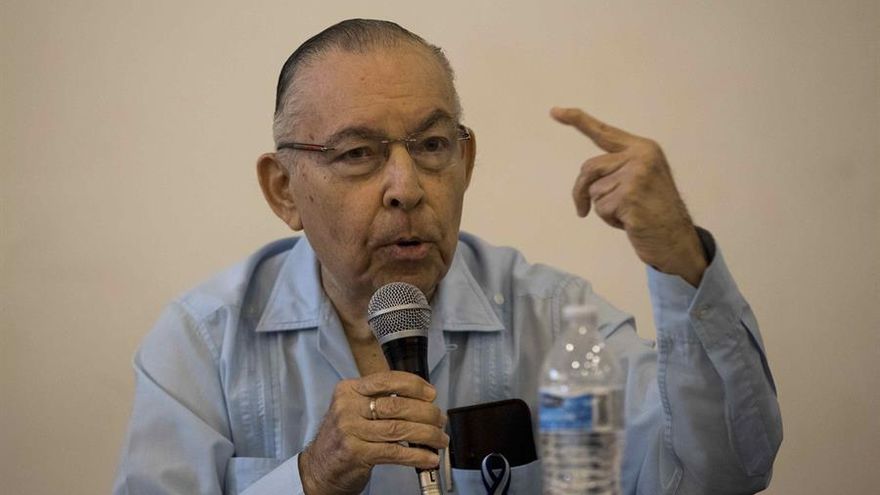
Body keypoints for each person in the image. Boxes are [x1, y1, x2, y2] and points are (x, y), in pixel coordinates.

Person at [113, 19, 782, 495]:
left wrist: (679, 260)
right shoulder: (204, 341)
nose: (406, 188)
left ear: (466, 161)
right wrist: (310, 476)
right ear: (284, 189)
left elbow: (722, 475)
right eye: (358, 153)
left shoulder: (554, 320)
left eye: (432, 146)